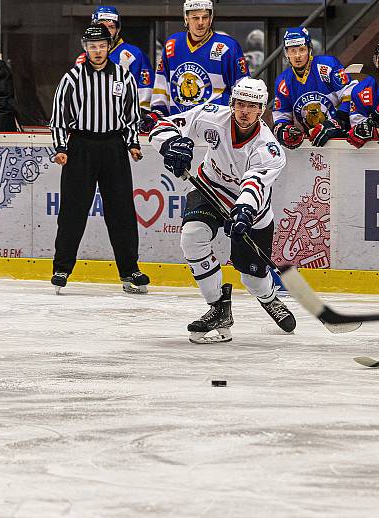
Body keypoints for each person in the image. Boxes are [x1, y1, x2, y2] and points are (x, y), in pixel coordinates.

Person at [147, 78, 296, 343]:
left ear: (262, 110)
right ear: (232, 103)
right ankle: (218, 307)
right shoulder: (212, 117)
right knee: (192, 237)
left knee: (253, 278)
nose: (245, 112)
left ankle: (268, 297)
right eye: (240, 104)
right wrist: (170, 145)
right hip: (209, 188)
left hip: (251, 209)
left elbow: (254, 183)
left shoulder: (268, 148)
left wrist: (243, 211)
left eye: (252, 106)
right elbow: (165, 125)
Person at [49, 24, 149, 295]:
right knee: (73, 209)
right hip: (81, 145)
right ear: (85, 48)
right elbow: (59, 116)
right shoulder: (72, 77)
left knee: (122, 211)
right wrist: (61, 147)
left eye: (102, 46)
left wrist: (132, 143)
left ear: (109, 46)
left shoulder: (123, 76)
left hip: (113, 146)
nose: (97, 51)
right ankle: (61, 268)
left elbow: (130, 116)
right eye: (92, 46)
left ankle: (130, 270)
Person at [151, 0, 248, 116]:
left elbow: (243, 87)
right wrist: (158, 111)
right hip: (179, 122)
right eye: (195, 18)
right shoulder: (173, 44)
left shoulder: (227, 47)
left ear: (211, 19)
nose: (201, 23)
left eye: (205, 17)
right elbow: (161, 84)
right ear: (186, 18)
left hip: (215, 123)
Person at [271, 27, 357, 149]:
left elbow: (351, 93)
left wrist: (338, 121)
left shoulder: (326, 66)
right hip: (314, 141)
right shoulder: (283, 81)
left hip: (344, 138)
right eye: (292, 51)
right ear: (286, 53)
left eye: (302, 50)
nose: (297, 56)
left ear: (309, 49)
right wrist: (283, 131)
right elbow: (281, 117)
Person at [75, 6, 154, 112]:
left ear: (118, 29)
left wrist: (141, 114)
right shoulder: (83, 59)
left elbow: (145, 90)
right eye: (102, 26)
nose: (107, 31)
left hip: (124, 121)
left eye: (111, 27)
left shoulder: (134, 55)